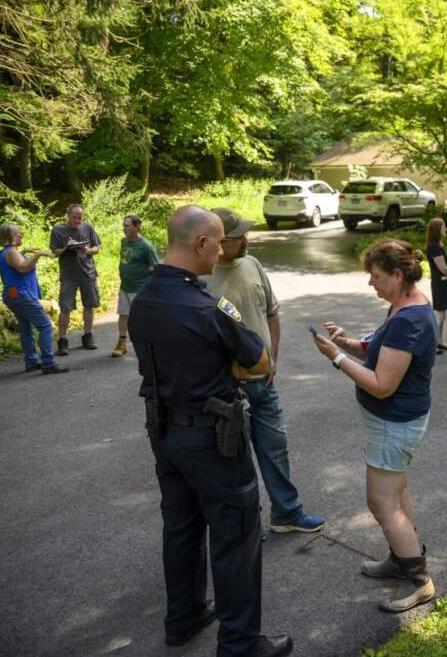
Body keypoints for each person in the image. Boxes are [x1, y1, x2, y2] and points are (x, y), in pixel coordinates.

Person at [128, 205, 292, 657]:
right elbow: (259, 360)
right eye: (218, 243)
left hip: (164, 433)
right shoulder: (208, 306)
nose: (222, 251)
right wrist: (230, 366)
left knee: (179, 528)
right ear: (200, 244)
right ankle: (241, 644)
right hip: (214, 438)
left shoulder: (143, 300)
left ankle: (182, 619)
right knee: (235, 535)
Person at [310, 239, 437, 613]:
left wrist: (336, 357)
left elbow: (382, 385)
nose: (371, 284)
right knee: (395, 495)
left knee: (381, 503)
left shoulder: (409, 320)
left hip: (392, 423)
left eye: (376, 276)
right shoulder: (407, 304)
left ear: (398, 275)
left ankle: (420, 581)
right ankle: (402, 558)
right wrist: (347, 342)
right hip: (396, 422)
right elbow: (380, 349)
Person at [202, 208, 326, 536]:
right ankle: (246, 522)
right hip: (229, 389)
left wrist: (273, 358)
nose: (246, 240)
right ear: (216, 242)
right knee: (235, 459)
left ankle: (287, 512)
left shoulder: (253, 264)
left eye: (245, 233)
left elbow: (272, 313)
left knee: (275, 448)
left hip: (264, 382)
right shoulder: (202, 278)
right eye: (237, 236)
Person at [0, 223, 68, 374]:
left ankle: (31, 362)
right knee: (46, 326)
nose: (21, 235)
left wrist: (24, 252)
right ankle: (48, 363)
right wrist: (38, 254)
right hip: (21, 296)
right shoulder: (11, 252)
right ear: (10, 238)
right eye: (17, 234)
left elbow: (14, 264)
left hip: (13, 295)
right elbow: (22, 267)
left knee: (26, 328)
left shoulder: (7, 252)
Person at [49, 203, 101, 355]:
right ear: (68, 216)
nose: (78, 221)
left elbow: (96, 247)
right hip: (68, 275)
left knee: (89, 305)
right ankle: (63, 340)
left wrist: (88, 250)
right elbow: (54, 251)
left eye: (80, 217)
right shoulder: (58, 230)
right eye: (75, 218)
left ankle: (88, 336)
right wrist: (66, 248)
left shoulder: (88, 228)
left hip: (88, 273)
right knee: (65, 307)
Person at [112, 215, 159, 358]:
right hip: (125, 286)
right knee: (123, 314)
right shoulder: (124, 242)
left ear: (137, 227)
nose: (124, 228)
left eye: (127, 226)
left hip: (139, 289)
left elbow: (156, 268)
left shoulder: (146, 246)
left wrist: (149, 288)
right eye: (124, 225)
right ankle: (122, 343)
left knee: (142, 319)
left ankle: (150, 346)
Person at [424, 218, 447, 355]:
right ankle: (433, 344)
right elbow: (443, 269)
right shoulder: (434, 246)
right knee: (440, 315)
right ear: (438, 229)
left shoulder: (439, 244)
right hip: (440, 282)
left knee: (442, 313)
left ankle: (440, 341)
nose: (446, 229)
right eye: (444, 227)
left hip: (444, 282)